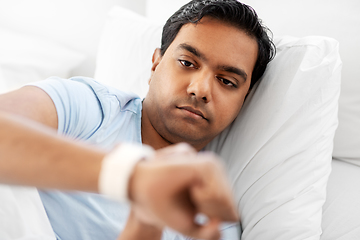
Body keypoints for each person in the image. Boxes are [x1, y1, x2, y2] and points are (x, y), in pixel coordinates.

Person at [0, 0, 275, 239]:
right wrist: (132, 177)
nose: (200, 89)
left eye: (226, 81)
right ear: (155, 64)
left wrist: (147, 219)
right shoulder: (88, 106)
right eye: (187, 63)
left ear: (243, 101)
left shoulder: (213, 214)